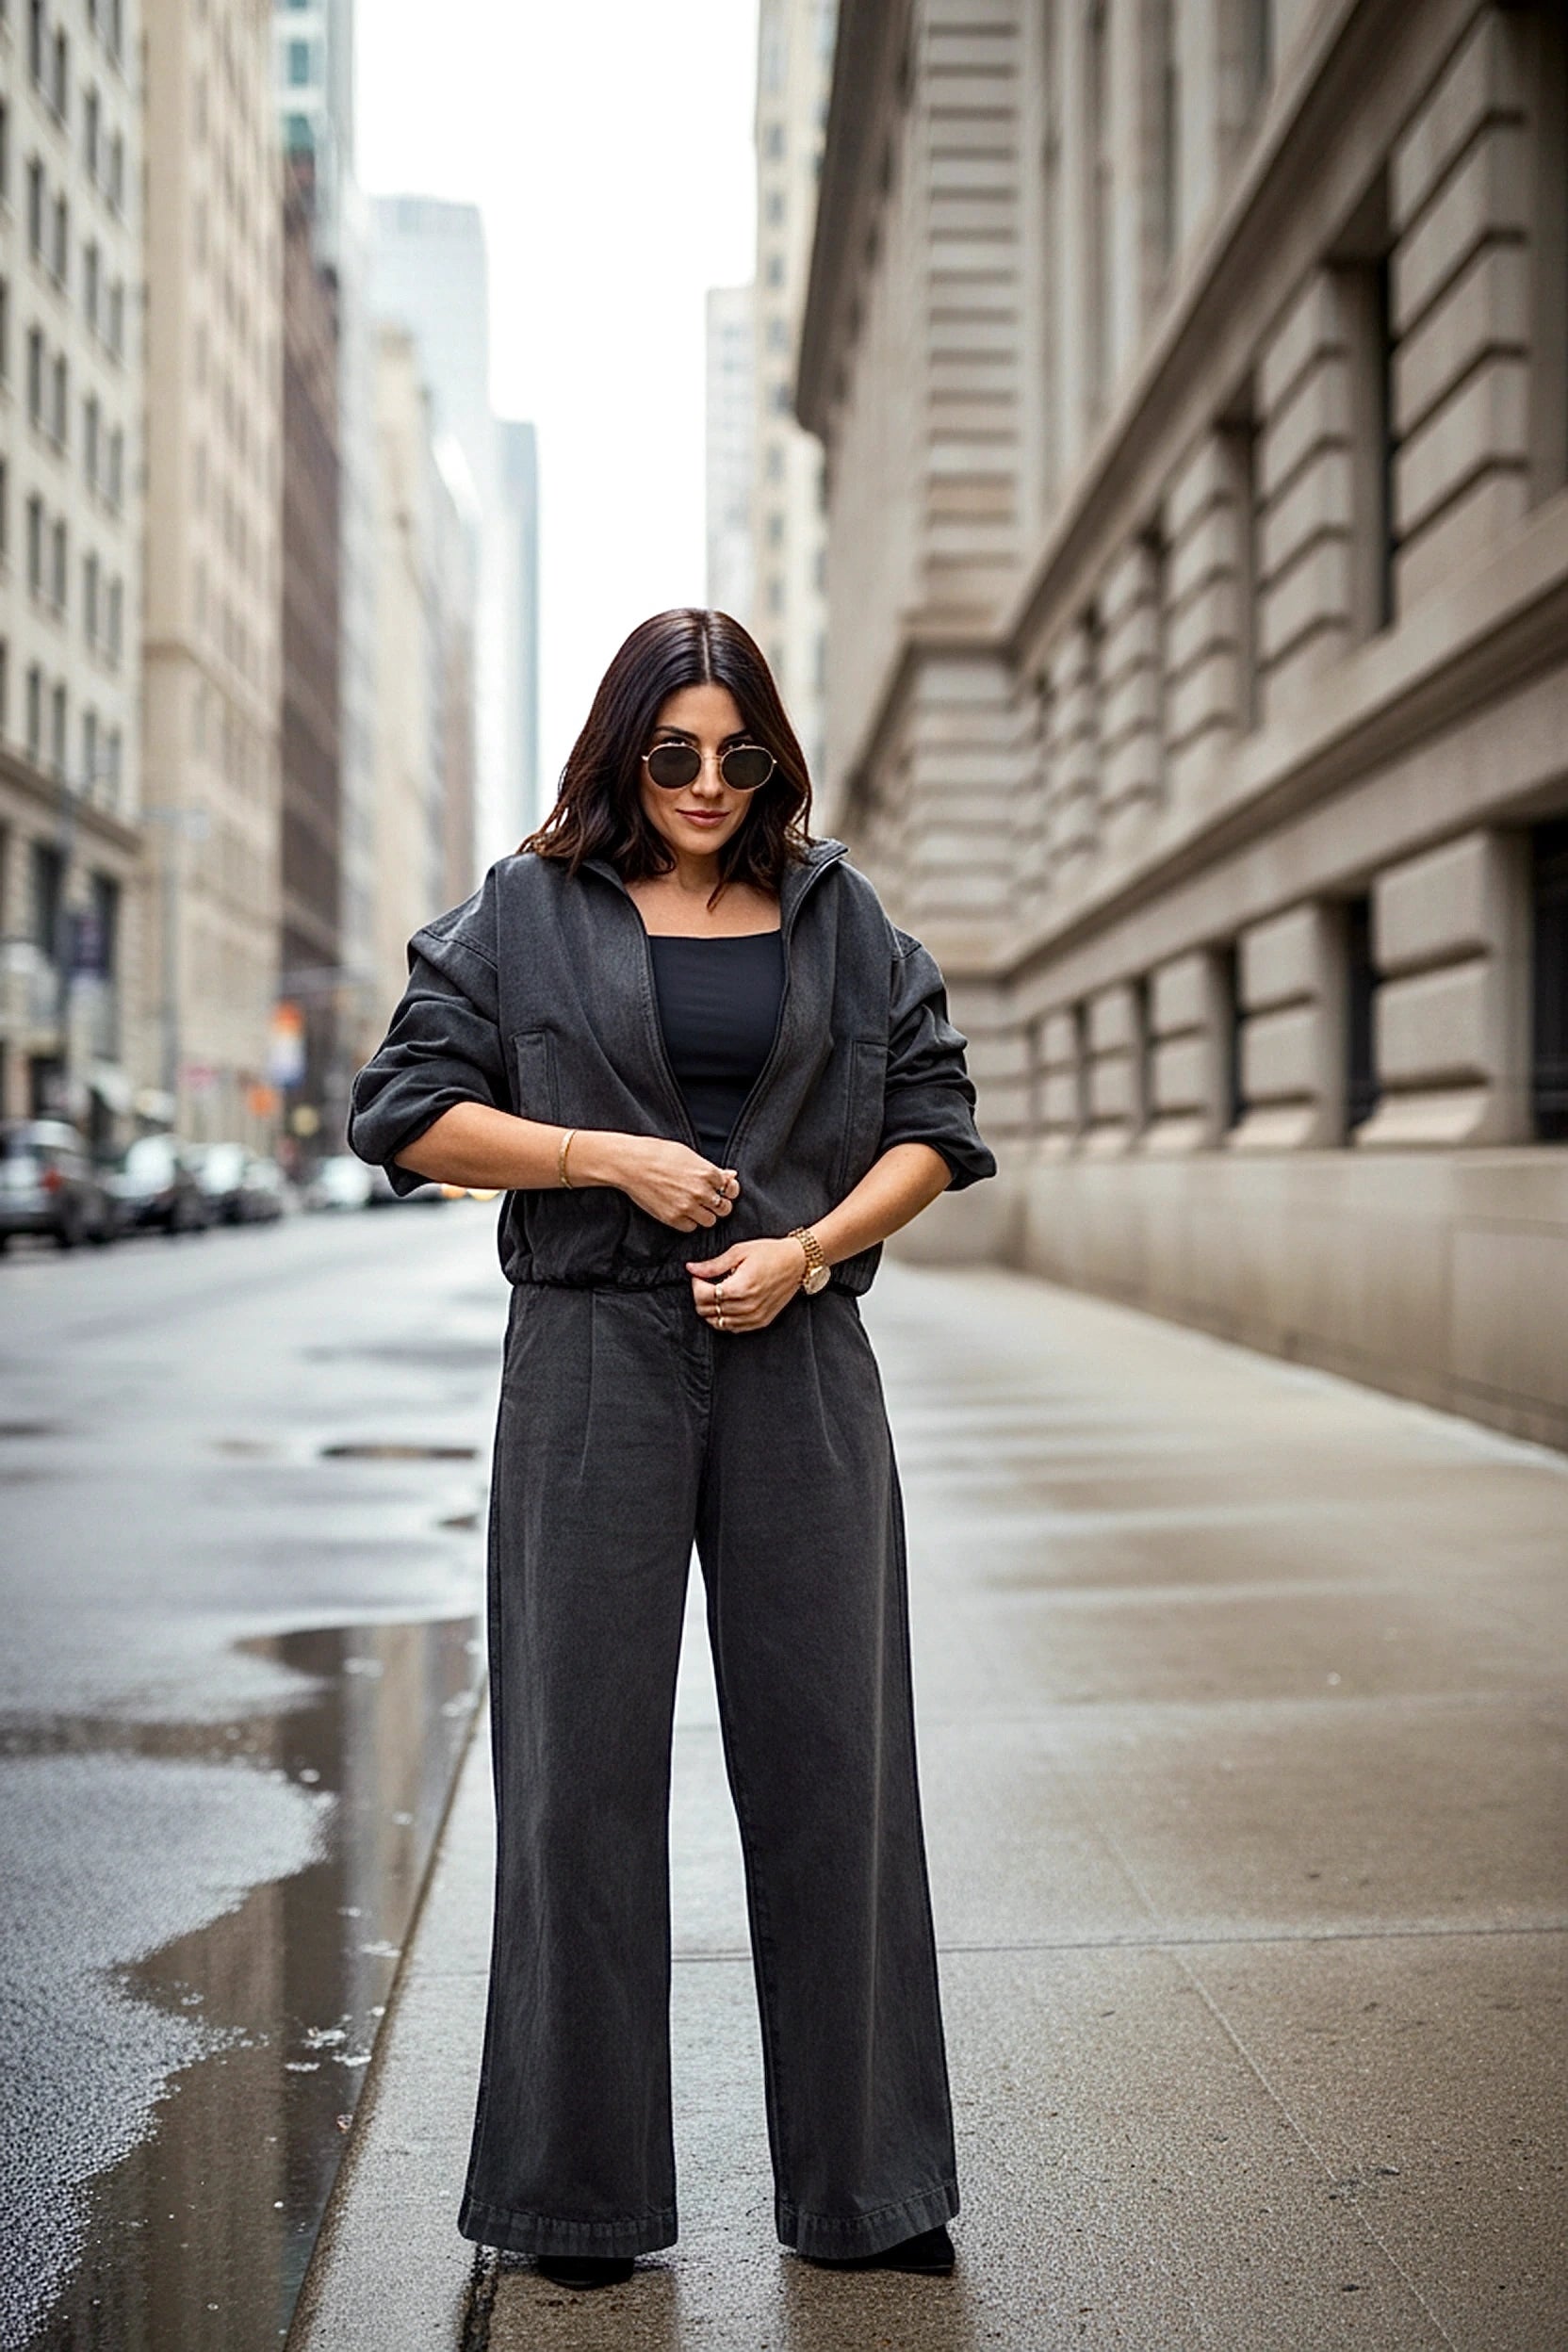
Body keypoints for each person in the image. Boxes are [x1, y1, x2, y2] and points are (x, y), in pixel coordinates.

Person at [347, 608, 997, 2291]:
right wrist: (603, 1158)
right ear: (622, 754)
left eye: (740, 754)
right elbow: (404, 1113)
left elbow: (935, 1126)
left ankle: (872, 2191)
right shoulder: (525, 910)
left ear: (774, 758)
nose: (709, 784)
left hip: (801, 1360)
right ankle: (575, 2201)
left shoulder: (842, 917)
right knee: (577, 1776)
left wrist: (810, 1250)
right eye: (675, 754)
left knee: (838, 1766)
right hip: (591, 1360)